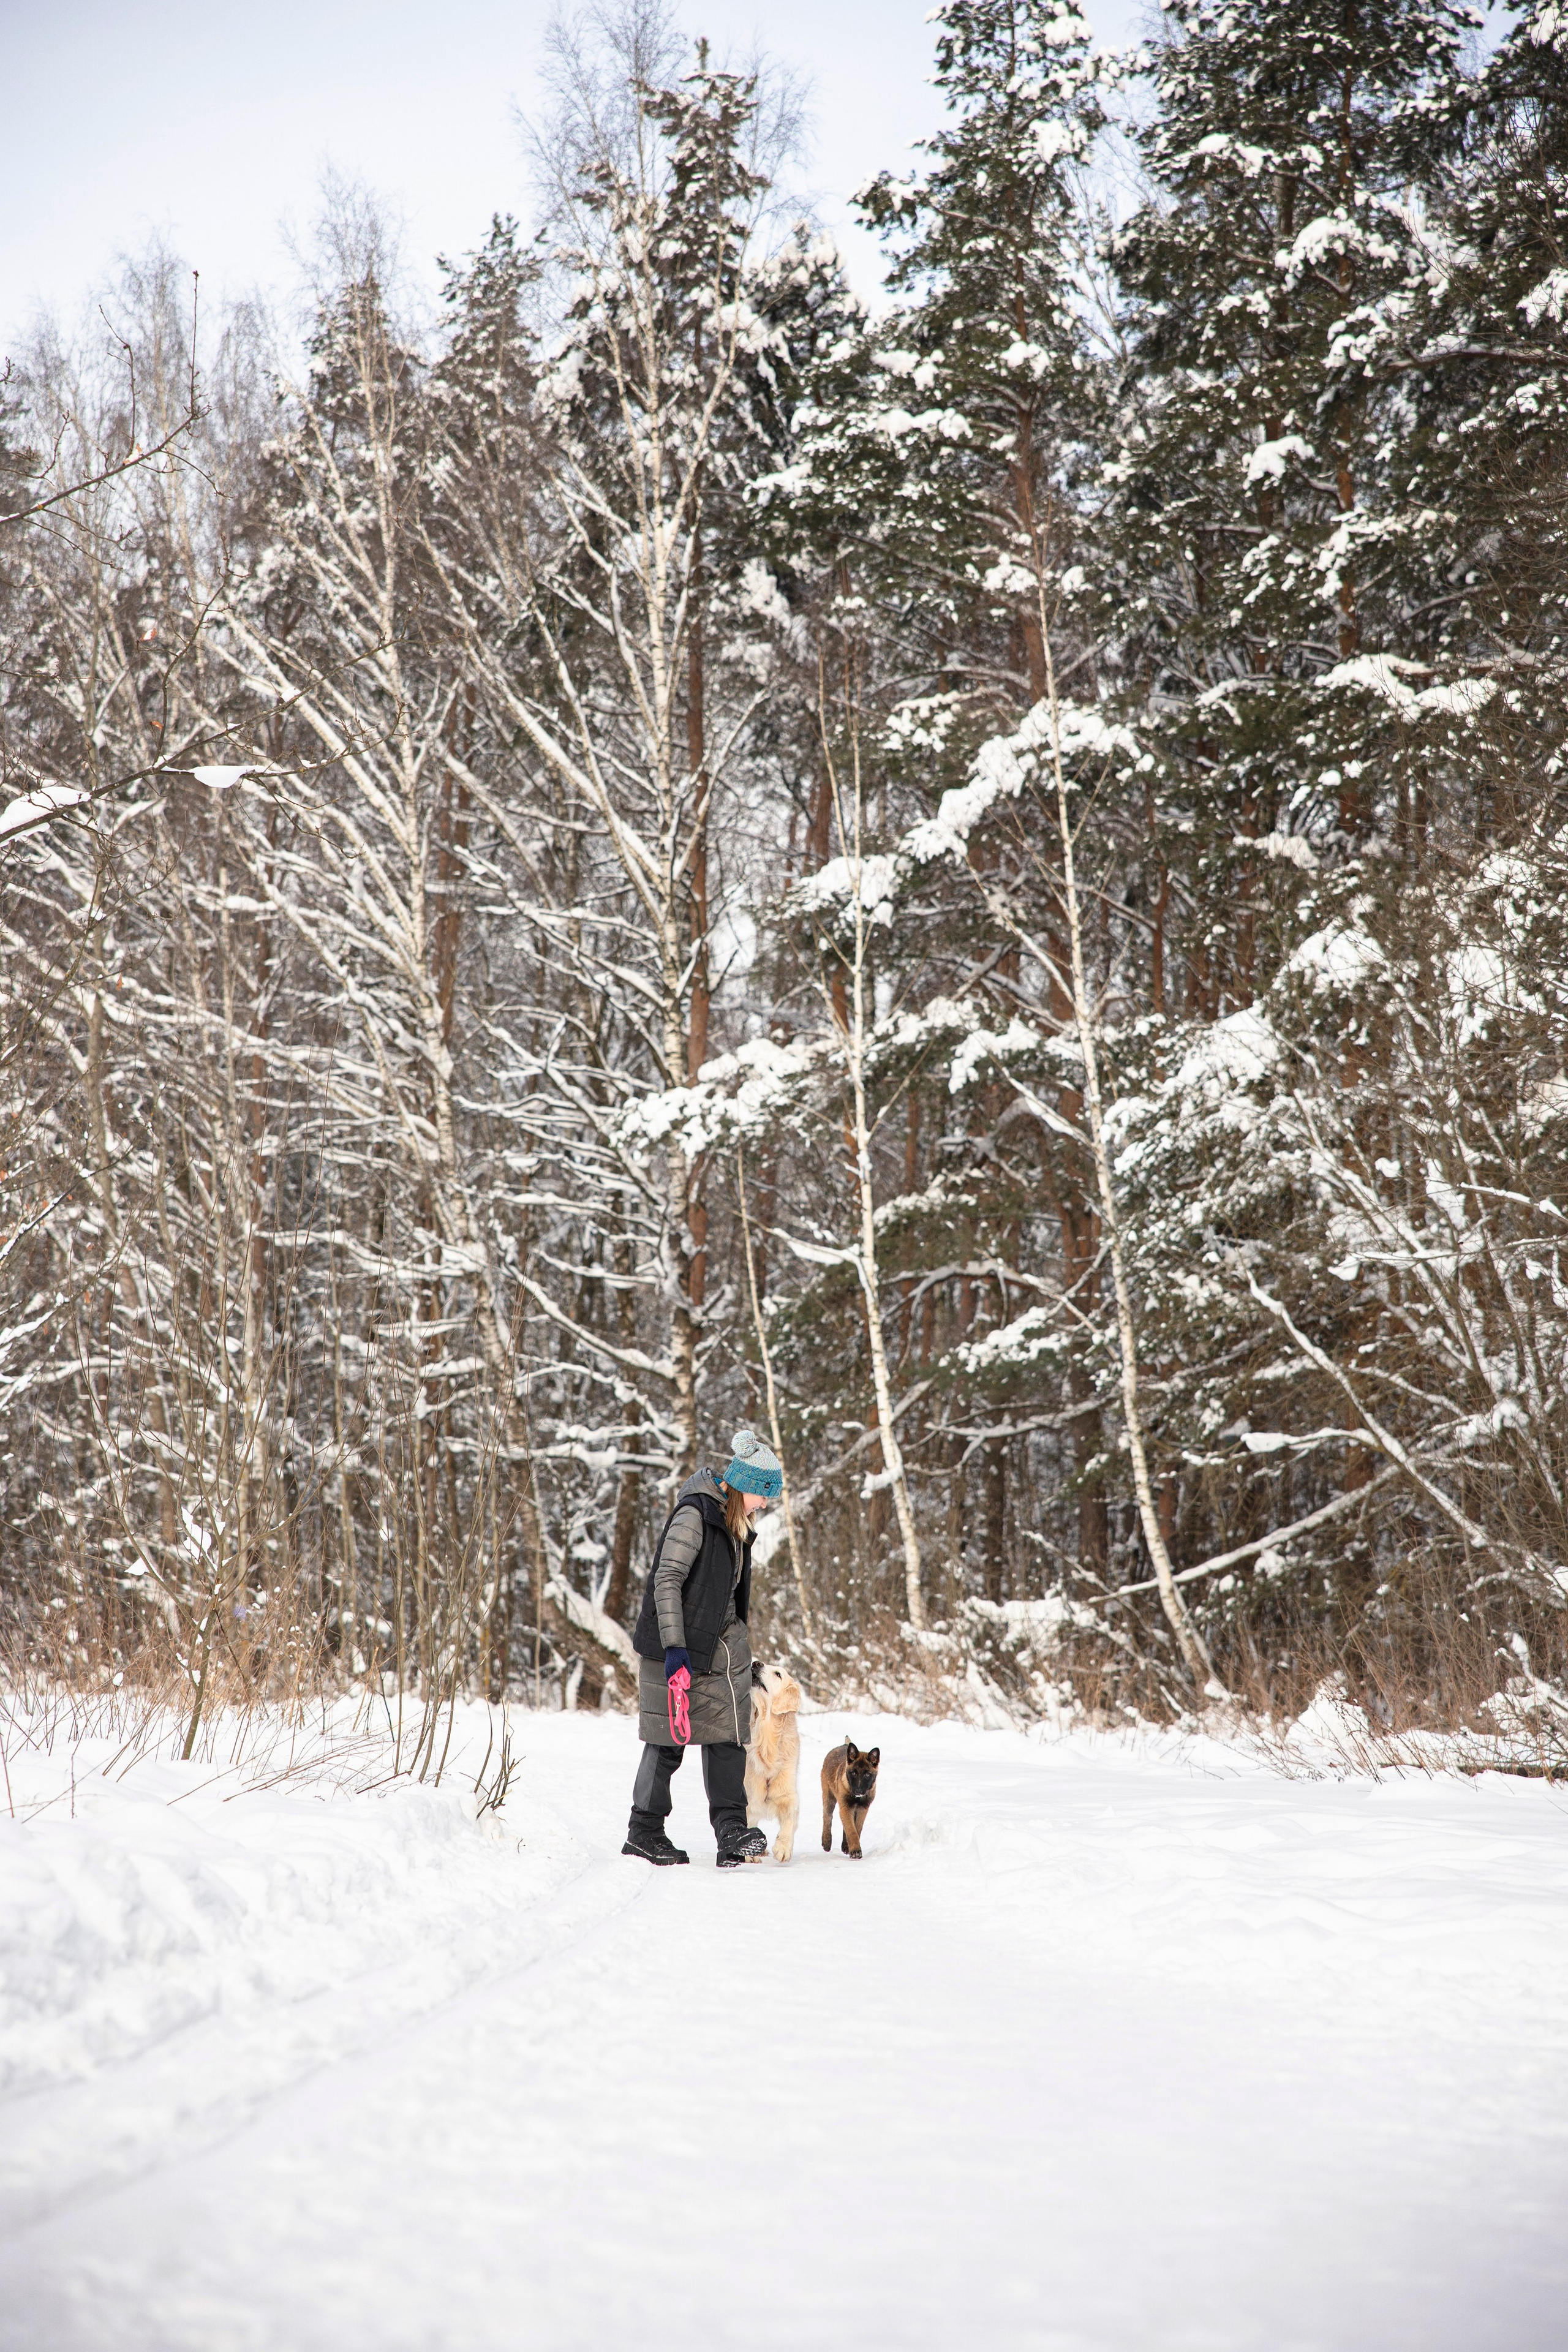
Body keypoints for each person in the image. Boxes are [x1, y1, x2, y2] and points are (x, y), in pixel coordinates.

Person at [621, 1427, 783, 1868]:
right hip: (673, 1649)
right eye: (764, 1494)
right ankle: (644, 1832)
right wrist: (675, 1649)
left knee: (728, 1735)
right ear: (746, 1485)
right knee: (667, 1740)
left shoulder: (733, 1525)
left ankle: (732, 1830)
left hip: (715, 1654)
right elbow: (667, 1579)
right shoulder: (695, 1514)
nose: (766, 1503)